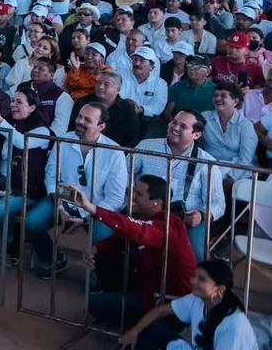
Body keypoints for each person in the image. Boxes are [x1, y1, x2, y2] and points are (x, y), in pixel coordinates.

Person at [70, 176, 196, 338]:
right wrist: (97, 248)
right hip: (148, 285)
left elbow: (137, 231)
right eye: (134, 191)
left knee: (94, 304)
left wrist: (90, 207)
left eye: (139, 194)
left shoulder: (169, 226)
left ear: (155, 203)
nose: (132, 196)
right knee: (106, 256)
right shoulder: (148, 216)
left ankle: (151, 326)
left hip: (168, 300)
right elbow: (123, 236)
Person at [36, 102, 129, 278]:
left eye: (87, 119)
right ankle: (54, 259)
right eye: (79, 116)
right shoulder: (64, 139)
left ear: (101, 126)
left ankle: (98, 277)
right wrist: (60, 207)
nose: (80, 121)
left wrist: (87, 217)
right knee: (33, 222)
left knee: (103, 236)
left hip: (98, 207)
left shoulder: (114, 152)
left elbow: (115, 198)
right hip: (65, 198)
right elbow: (51, 176)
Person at [0, 85, 53, 261]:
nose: (13, 104)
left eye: (19, 102)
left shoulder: (42, 130)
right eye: (13, 100)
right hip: (0, 181)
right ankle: (11, 233)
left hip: (26, 187)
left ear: (32, 107)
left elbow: (22, 142)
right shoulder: (8, 122)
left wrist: (0, 122)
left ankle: (12, 240)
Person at [133, 110, 226, 261]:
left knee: (193, 254)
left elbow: (218, 204)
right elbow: (124, 173)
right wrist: (132, 194)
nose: (175, 127)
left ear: (196, 135)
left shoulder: (207, 163)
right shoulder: (146, 146)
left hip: (184, 221)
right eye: (174, 122)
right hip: (143, 213)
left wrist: (200, 215)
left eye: (183, 126)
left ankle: (189, 284)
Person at [117, 259, 257, 350]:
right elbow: (160, 311)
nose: (193, 281)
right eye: (194, 276)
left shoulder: (234, 326)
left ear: (219, 288)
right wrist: (133, 332)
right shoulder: (196, 299)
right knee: (151, 328)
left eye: (201, 279)